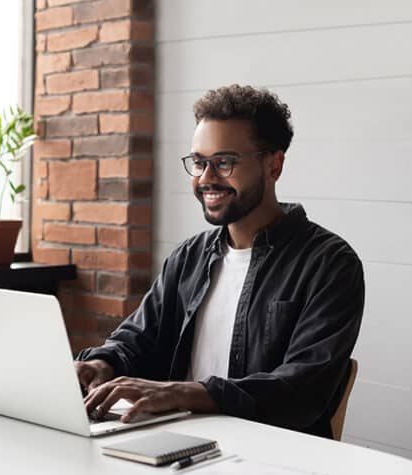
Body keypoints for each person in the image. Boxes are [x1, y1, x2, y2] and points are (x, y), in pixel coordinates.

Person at [75, 84, 364, 438]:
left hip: (270, 455)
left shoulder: (329, 264)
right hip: (177, 444)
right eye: (198, 162)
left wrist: (187, 392)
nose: (206, 178)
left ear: (274, 164)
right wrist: (101, 364)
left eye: (224, 162)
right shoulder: (188, 257)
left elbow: (301, 390)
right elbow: (138, 339)